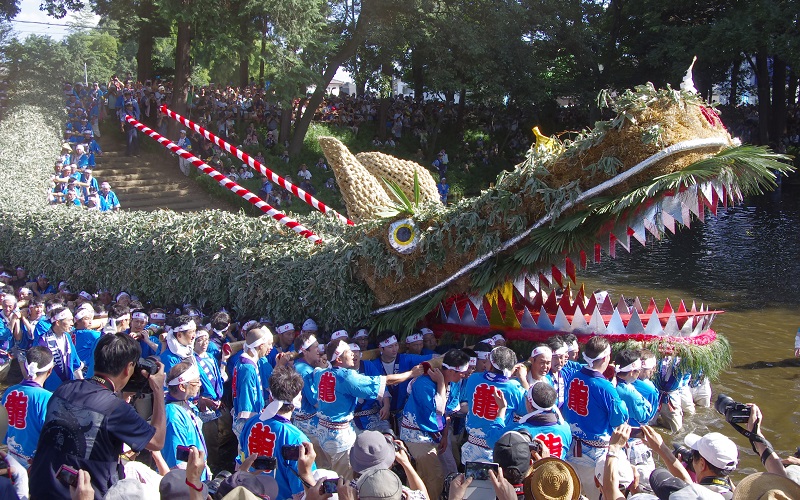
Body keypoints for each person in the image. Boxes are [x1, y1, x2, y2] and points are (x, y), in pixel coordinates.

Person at [29, 333, 167, 499]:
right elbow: (157, 441)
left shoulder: (64, 389)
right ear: (128, 368)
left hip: (41, 488)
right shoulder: (116, 408)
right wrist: (158, 390)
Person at [313, 340, 421, 478]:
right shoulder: (347, 377)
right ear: (339, 359)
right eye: (348, 352)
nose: (352, 354)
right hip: (339, 439)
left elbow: (318, 369)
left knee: (326, 475)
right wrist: (411, 373)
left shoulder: (320, 374)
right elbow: (386, 381)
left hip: (321, 433)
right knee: (344, 480)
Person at [562, 335, 628, 500]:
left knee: (573, 494)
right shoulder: (605, 387)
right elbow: (618, 420)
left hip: (571, 448)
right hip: (595, 455)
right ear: (606, 357)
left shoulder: (573, 376)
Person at [400, 349, 471, 498]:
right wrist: (440, 383)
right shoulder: (422, 384)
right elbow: (438, 410)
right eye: (462, 372)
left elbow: (448, 412)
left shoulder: (455, 383)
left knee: (429, 471)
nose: (465, 375)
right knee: (435, 474)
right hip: (416, 434)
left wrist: (445, 436)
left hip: (437, 433)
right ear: (451, 370)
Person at [239, 365, 316, 499]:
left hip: (249, 493)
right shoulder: (296, 438)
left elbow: (241, 456)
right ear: (298, 399)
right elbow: (301, 489)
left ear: (270, 397)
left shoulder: (252, 421)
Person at [460, 346, 527, 464]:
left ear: (491, 365)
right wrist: (523, 379)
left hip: (472, 446)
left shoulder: (474, 379)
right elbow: (528, 407)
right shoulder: (514, 388)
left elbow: (491, 378)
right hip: (497, 449)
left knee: (469, 481)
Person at [488, 382, 572, 460]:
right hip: (559, 474)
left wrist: (502, 410)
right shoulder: (565, 428)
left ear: (529, 404)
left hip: (530, 475)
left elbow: (491, 440)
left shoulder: (518, 431)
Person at [2, 346, 53, 469]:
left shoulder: (9, 392)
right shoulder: (47, 398)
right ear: (50, 370)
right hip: (34, 466)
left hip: (11, 460)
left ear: (25, 366)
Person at [157, 360, 208, 478]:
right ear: (182, 386)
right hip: (187, 479)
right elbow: (176, 460)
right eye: (196, 382)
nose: (200, 385)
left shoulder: (186, 405)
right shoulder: (173, 414)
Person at [232, 325, 273, 437]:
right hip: (247, 422)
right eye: (268, 345)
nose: (270, 347)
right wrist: (252, 423)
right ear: (261, 346)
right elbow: (247, 397)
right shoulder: (248, 368)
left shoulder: (243, 362)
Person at [36, 306, 84, 391]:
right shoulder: (42, 341)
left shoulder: (67, 337)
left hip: (68, 386)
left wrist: (82, 384)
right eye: (69, 320)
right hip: (50, 388)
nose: (72, 323)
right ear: (58, 322)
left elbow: (75, 363)